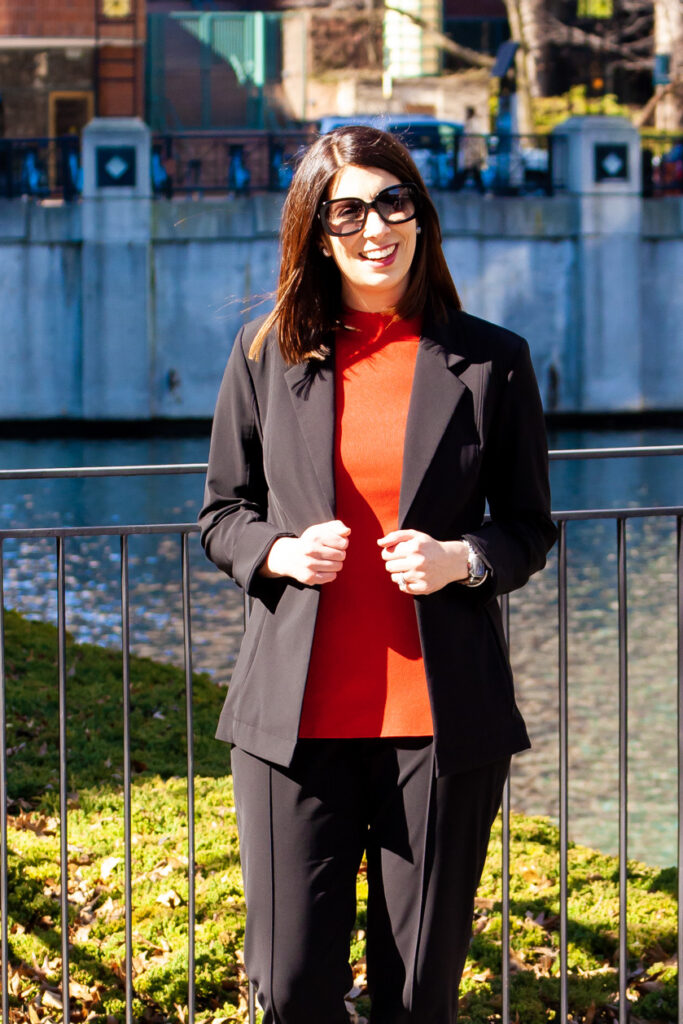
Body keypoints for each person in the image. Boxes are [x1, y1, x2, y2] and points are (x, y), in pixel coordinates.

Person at [199, 124, 556, 1024]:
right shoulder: (266, 355)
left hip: (440, 732)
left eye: (392, 203)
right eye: (346, 211)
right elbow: (221, 515)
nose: (373, 228)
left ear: (419, 214)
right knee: (287, 987)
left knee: (417, 996)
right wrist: (275, 552)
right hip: (293, 729)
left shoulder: (490, 361)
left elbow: (527, 528)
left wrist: (461, 560)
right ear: (315, 233)